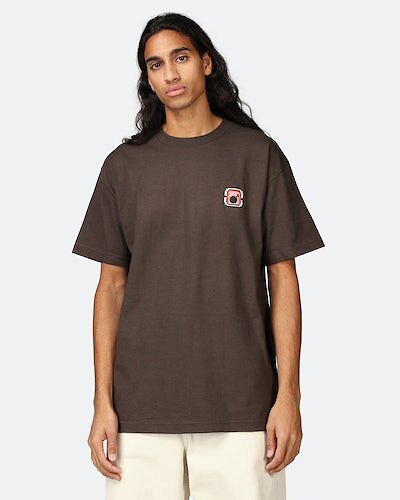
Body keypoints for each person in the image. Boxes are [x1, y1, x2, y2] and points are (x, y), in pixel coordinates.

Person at [71, 12, 325, 500]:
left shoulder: (258, 156)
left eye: (181, 57)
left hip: (244, 408)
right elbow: (110, 289)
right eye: (155, 64)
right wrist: (102, 402)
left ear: (206, 63)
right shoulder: (124, 167)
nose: (170, 73)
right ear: (147, 78)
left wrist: (288, 396)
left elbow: (284, 281)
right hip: (139, 414)